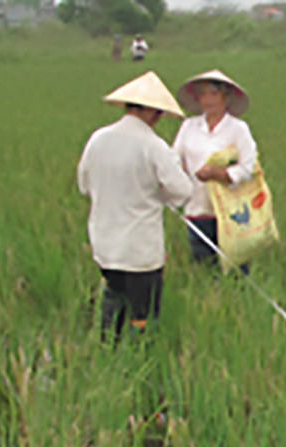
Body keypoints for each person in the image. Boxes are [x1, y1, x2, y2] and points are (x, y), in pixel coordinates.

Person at [77, 71, 192, 342]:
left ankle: (109, 347)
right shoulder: (153, 146)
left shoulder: (98, 139)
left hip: (105, 244)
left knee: (114, 295)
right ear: (152, 112)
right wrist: (158, 194)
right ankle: (140, 355)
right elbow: (183, 190)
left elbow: (84, 185)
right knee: (143, 311)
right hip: (140, 249)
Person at [171, 68, 258, 272]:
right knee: (203, 269)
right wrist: (181, 171)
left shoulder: (238, 129)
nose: (208, 100)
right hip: (197, 209)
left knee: (236, 271)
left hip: (231, 212)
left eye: (213, 93)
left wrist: (220, 175)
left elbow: (248, 167)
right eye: (202, 94)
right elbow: (174, 158)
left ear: (225, 97)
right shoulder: (189, 127)